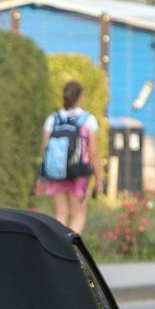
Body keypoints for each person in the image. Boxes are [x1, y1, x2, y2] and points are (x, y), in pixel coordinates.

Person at [34, 80, 100, 234]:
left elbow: (45, 149)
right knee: (78, 215)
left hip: (55, 173)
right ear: (80, 97)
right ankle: (70, 246)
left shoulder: (53, 119)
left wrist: (41, 177)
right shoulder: (88, 120)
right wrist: (98, 179)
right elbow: (93, 152)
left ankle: (57, 245)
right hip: (78, 173)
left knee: (61, 214)